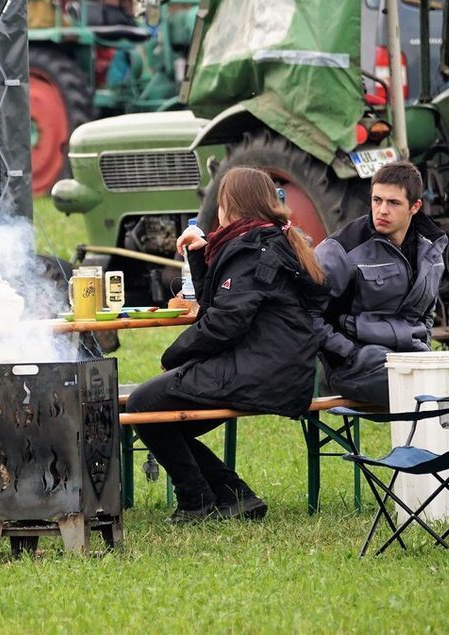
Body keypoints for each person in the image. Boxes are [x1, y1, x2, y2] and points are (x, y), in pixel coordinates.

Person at [126, 167, 329, 523]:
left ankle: (197, 500)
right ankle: (235, 496)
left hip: (262, 369)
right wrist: (200, 257)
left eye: (220, 203)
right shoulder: (265, 241)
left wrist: (174, 355)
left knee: (144, 404)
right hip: (274, 366)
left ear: (229, 206)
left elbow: (224, 322)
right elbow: (218, 306)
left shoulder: (254, 250)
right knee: (161, 416)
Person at [314, 160, 449, 407]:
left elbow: (426, 312)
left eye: (393, 202)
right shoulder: (342, 249)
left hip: (412, 359)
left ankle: (444, 447)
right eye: (377, 200)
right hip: (356, 366)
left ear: (415, 206)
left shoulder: (431, 248)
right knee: (427, 395)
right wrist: (348, 353)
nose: (382, 210)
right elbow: (306, 312)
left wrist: (424, 348)